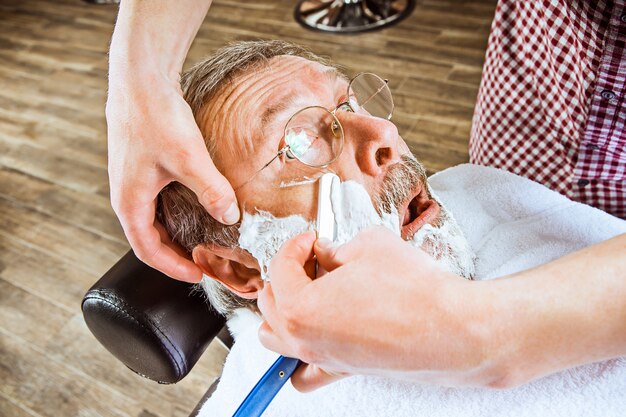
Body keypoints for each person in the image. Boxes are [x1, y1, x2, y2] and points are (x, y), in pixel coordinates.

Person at [106, 0, 626, 393]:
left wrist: (490, 332)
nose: (384, 134)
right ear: (241, 269)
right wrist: (138, 79)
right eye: (301, 141)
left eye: (350, 101)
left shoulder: (491, 196)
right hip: (555, 63)